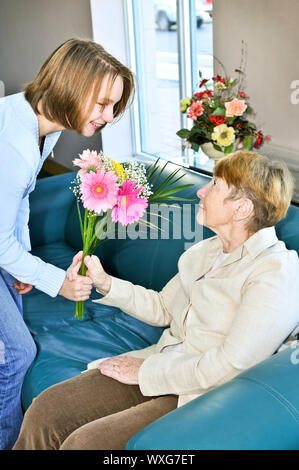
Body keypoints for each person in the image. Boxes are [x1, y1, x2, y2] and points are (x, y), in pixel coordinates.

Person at [13, 151, 299, 450]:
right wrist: (104, 282)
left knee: (85, 444)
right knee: (49, 407)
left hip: (205, 396)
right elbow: (164, 307)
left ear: (241, 208)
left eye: (215, 184)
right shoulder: (207, 250)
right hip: (161, 363)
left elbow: (231, 366)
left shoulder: (276, 271)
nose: (202, 190)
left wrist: (144, 372)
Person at [0, 37, 135, 450]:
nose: (109, 117)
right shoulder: (15, 143)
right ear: (70, 86)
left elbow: (18, 201)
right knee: (16, 356)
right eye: (102, 104)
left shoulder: (42, 128)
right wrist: (53, 280)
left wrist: (20, 260)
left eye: (114, 106)